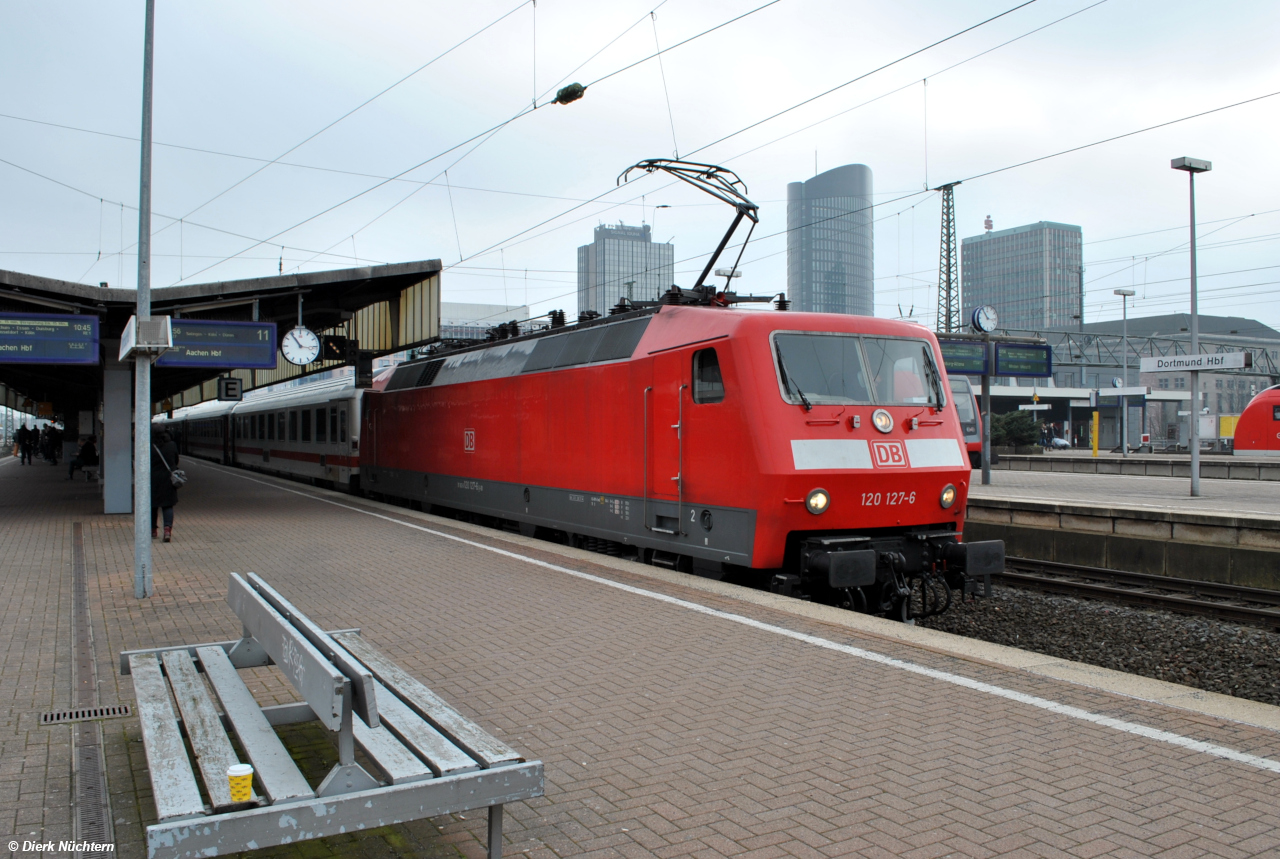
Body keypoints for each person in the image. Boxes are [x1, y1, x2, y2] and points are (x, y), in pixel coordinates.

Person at [151, 429, 181, 542]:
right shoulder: (172, 445)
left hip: (152, 479)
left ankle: (153, 530)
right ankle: (167, 530)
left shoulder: (149, 446)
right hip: (168, 479)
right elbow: (176, 460)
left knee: (152, 506)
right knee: (168, 505)